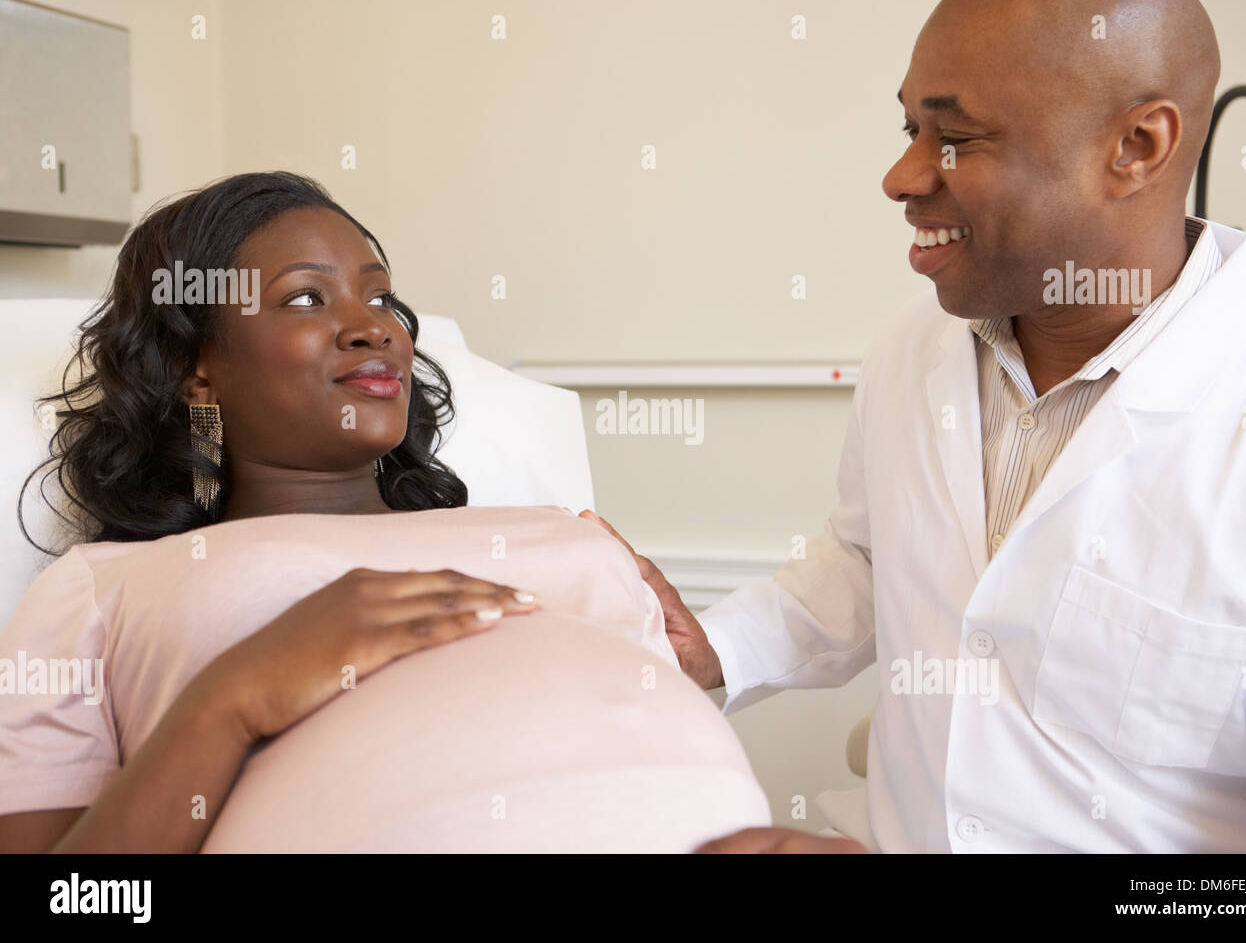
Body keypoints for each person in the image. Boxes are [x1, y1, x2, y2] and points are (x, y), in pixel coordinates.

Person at [588, 0, 1246, 852]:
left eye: (956, 139)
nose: (903, 178)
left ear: (1135, 148)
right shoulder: (916, 350)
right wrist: (718, 649)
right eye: (910, 131)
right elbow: (866, 559)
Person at [0, 171, 770, 853]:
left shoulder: (563, 529)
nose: (376, 328)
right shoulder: (107, 587)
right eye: (305, 297)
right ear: (193, 371)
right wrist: (229, 702)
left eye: (380, 297)